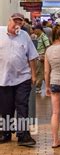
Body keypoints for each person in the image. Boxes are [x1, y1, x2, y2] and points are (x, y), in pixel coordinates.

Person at [0, 13, 38, 146]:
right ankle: (6, 133)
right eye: (14, 21)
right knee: (5, 108)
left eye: (19, 22)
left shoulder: (24, 36)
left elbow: (32, 57)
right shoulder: (0, 33)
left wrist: (33, 75)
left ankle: (23, 135)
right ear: (8, 21)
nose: (17, 24)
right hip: (3, 78)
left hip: (23, 78)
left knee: (22, 106)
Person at [33, 25, 51, 93]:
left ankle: (38, 88)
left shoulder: (44, 37)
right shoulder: (37, 36)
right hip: (37, 56)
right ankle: (47, 86)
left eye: (35, 29)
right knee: (41, 72)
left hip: (41, 57)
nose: (34, 31)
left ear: (39, 29)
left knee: (39, 72)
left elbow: (47, 47)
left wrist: (44, 56)